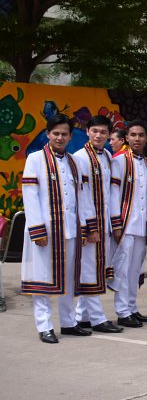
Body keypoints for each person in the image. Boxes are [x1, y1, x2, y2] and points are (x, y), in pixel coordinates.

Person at [21, 115, 88, 343]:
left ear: (70, 136)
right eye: (55, 133)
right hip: (46, 231)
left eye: (64, 134)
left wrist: (86, 227)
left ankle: (69, 323)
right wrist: (37, 229)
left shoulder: (73, 162)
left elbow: (81, 196)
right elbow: (29, 196)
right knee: (43, 279)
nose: (60, 137)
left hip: (70, 229)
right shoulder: (35, 159)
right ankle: (45, 326)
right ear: (48, 134)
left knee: (68, 279)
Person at [73, 116, 123, 333]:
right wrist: (90, 227)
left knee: (94, 269)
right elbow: (81, 196)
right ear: (87, 131)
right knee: (90, 270)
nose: (98, 135)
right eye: (95, 130)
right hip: (89, 225)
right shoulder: (80, 158)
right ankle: (97, 318)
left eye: (103, 132)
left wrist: (111, 224)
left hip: (103, 223)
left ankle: (81, 316)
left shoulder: (107, 156)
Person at [109, 120, 147, 328]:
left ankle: (132, 308)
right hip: (126, 224)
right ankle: (122, 311)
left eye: (141, 135)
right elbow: (113, 194)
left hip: (141, 225)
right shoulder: (118, 161)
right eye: (133, 135)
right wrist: (116, 224)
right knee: (123, 269)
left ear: (146, 138)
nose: (137, 138)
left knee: (136, 270)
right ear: (126, 137)